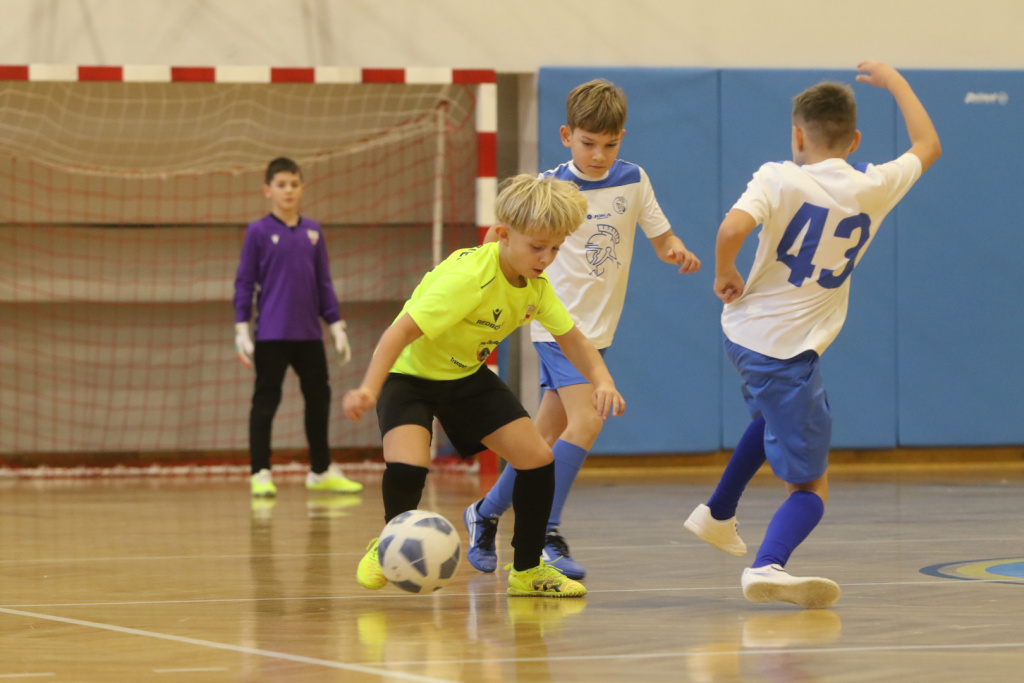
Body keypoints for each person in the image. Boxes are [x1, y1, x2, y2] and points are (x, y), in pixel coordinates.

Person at [683, 62, 941, 608]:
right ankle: (767, 566)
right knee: (811, 488)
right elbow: (928, 145)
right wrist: (895, 81)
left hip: (743, 333)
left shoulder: (777, 175)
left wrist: (724, 273)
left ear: (797, 135)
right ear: (856, 140)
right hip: (785, 354)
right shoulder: (875, 185)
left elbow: (731, 228)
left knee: (767, 419)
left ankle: (717, 512)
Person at [342, 174, 626, 597]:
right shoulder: (468, 279)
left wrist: (603, 380)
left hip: (464, 377)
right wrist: (370, 387)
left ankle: (528, 570)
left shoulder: (535, 286)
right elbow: (399, 332)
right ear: (503, 234)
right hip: (409, 377)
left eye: (556, 248)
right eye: (537, 247)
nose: (547, 258)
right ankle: (387, 544)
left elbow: (573, 340)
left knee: (537, 459)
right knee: (409, 466)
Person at [464, 78, 701, 580]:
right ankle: (545, 532)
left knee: (542, 439)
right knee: (589, 420)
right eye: (588, 143)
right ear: (566, 135)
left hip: (600, 331)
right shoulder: (548, 189)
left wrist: (676, 250)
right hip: (557, 325)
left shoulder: (634, 179)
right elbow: (498, 240)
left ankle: (485, 512)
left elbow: (661, 237)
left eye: (609, 145)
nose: (598, 155)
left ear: (622, 138)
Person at [234, 156, 363, 498]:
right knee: (265, 402)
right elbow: (244, 282)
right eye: (281, 185)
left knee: (319, 400)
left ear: (302, 188)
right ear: (267, 190)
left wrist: (336, 325)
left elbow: (323, 283)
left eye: (293, 184)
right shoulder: (258, 232)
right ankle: (260, 472)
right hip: (271, 335)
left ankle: (320, 470)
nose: (288, 190)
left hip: (309, 335)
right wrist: (241, 328)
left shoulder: (313, 232)